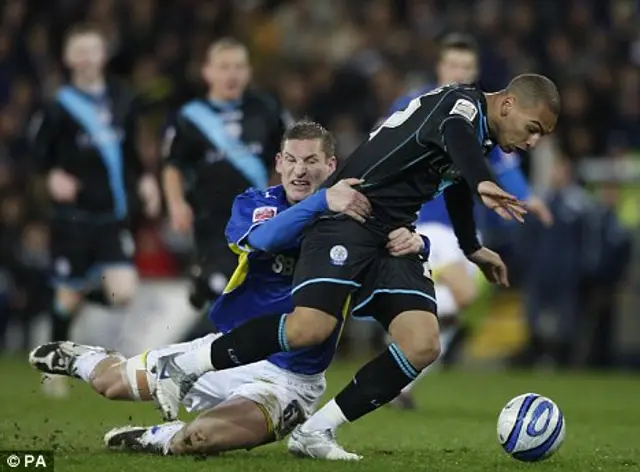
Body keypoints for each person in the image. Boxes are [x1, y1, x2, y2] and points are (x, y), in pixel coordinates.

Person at [155, 74, 560, 460]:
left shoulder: (480, 134)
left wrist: (472, 247)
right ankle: (185, 365)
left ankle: (317, 431)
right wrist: (483, 181)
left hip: (392, 234)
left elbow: (454, 181)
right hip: (349, 217)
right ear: (507, 104)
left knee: (423, 344)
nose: (534, 141)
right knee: (309, 328)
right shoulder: (461, 106)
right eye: (533, 127)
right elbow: (457, 137)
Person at [28, 121, 427, 457]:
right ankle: (84, 359)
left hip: (291, 379)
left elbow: (393, 243)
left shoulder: (355, 217)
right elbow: (267, 239)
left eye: (311, 161)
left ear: (332, 164)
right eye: (291, 160)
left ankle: (156, 436)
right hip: (221, 352)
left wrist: (414, 241)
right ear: (278, 163)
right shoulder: (256, 203)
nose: (300, 171)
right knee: (112, 385)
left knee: (201, 438)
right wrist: (323, 201)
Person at [388, 33, 553, 409]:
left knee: (458, 307)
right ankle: (397, 344)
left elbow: (504, 164)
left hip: (464, 226)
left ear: (475, 71)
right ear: (440, 68)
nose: (458, 72)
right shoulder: (418, 103)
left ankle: (401, 378)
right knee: (461, 294)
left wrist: (529, 198)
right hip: (426, 220)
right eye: (452, 66)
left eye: (466, 67)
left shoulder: (487, 114)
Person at [29, 24, 160, 396]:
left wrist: (147, 181)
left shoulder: (122, 99)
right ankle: (53, 369)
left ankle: (76, 294)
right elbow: (37, 152)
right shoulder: (58, 106)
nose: (86, 57)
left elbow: (132, 151)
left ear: (103, 56)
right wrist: (52, 174)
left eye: (93, 50)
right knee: (65, 299)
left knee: (124, 293)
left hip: (111, 216)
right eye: (79, 50)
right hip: (73, 217)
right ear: (69, 59)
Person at [162, 37, 290, 334]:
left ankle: (203, 294)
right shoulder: (190, 117)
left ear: (248, 72)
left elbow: (287, 156)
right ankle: (178, 355)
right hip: (210, 220)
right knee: (225, 287)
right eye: (224, 67)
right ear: (208, 72)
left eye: (238, 67)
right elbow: (173, 166)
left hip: (255, 218)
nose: (231, 74)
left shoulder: (265, 109)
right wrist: (176, 204)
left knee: (244, 290)